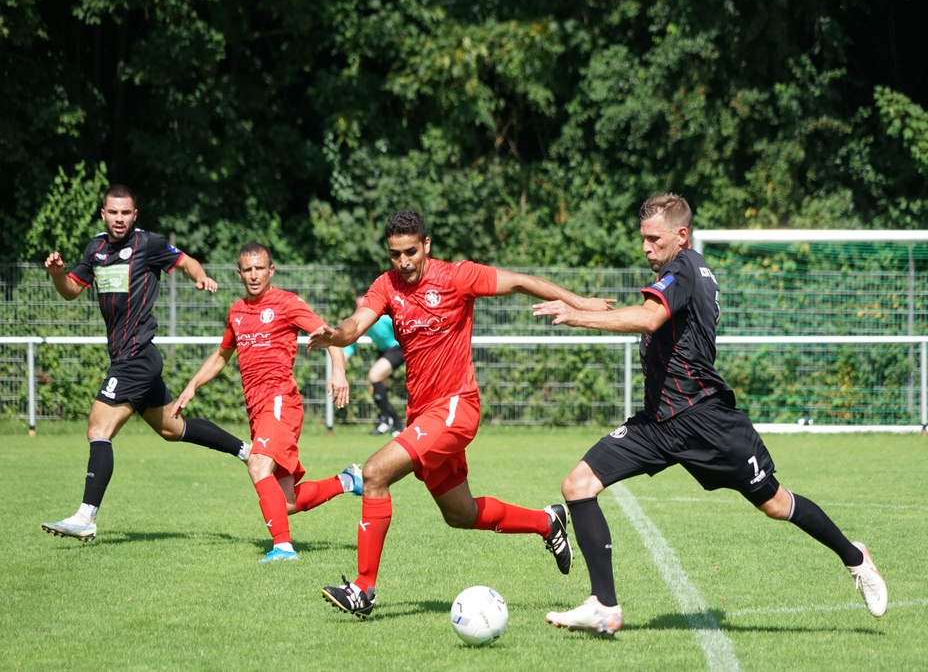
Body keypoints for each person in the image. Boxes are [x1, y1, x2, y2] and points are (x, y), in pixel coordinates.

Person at [533, 193, 887, 635]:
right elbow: (649, 313)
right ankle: (604, 606)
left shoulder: (684, 267)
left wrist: (577, 316)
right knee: (578, 484)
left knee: (776, 504)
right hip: (659, 422)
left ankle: (856, 559)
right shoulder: (680, 272)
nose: (645, 247)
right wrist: (590, 306)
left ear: (681, 236)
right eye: (642, 238)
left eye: (654, 239)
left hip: (706, 421)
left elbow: (649, 319)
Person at [308, 209, 615, 619]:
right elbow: (355, 324)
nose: (404, 262)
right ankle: (547, 522)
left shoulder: (457, 277)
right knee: (461, 514)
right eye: (395, 254)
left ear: (427, 245)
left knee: (375, 473)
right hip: (423, 416)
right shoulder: (387, 285)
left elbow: (520, 280)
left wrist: (580, 303)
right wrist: (336, 335)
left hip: (456, 407)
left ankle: (363, 589)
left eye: (411, 252)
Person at [41, 184, 251, 543]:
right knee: (172, 428)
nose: (119, 218)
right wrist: (58, 274)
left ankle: (85, 517)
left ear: (134, 215)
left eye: (126, 212)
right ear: (103, 214)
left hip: (136, 356)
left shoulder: (148, 244)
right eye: (113, 212)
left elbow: (185, 261)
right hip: (130, 357)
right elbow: (72, 290)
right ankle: (247, 451)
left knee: (98, 427)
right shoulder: (96, 248)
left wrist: (200, 276)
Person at [173, 242, 364, 562]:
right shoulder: (236, 311)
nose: (254, 275)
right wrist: (192, 385)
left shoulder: (287, 303)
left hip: (280, 402)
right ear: (239, 273)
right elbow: (222, 355)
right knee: (285, 501)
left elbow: (330, 335)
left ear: (271, 270)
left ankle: (283, 548)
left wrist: (339, 372)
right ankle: (348, 480)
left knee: (257, 464)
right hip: (257, 409)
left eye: (259, 268)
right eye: (247, 270)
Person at [343, 294, 405, 437]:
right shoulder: (361, 323)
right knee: (375, 390)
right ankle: (398, 426)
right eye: (358, 307)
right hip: (383, 352)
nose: (361, 309)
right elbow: (351, 345)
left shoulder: (384, 318)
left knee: (374, 374)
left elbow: (402, 327)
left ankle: (385, 419)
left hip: (397, 349)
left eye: (364, 305)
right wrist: (340, 367)